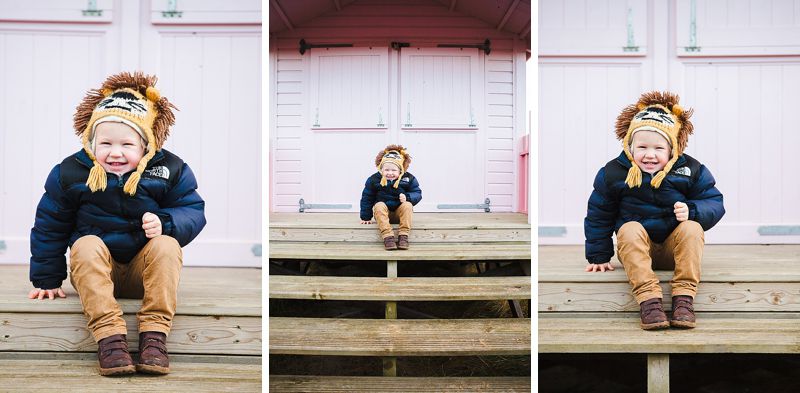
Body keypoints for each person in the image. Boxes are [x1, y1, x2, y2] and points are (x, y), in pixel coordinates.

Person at [28, 71, 206, 375]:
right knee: (84, 244)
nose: (115, 152)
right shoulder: (71, 172)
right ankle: (110, 339)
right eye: (105, 143)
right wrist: (47, 278)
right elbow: (50, 223)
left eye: (127, 144)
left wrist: (166, 222)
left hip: (142, 271)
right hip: (96, 271)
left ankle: (154, 337)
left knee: (166, 245)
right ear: (90, 140)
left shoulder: (169, 169)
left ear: (147, 144)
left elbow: (192, 209)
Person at [584, 91, 724, 330]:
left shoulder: (691, 170)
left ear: (673, 149)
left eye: (659, 147)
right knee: (628, 228)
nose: (650, 154)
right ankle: (649, 301)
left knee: (692, 227)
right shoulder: (614, 173)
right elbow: (599, 213)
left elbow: (714, 202)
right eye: (642, 147)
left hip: (673, 249)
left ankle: (683, 299)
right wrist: (599, 256)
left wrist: (693, 210)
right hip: (637, 249)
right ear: (629, 146)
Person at [359, 145, 422, 250]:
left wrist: (407, 197)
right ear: (381, 169)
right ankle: (388, 237)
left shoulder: (408, 178)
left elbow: (417, 192)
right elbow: (367, 197)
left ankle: (403, 236)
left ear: (400, 170)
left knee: (407, 205)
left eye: (394, 170)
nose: (390, 173)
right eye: (386, 170)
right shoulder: (374, 179)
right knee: (378, 205)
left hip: (399, 214)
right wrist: (365, 217)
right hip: (383, 214)